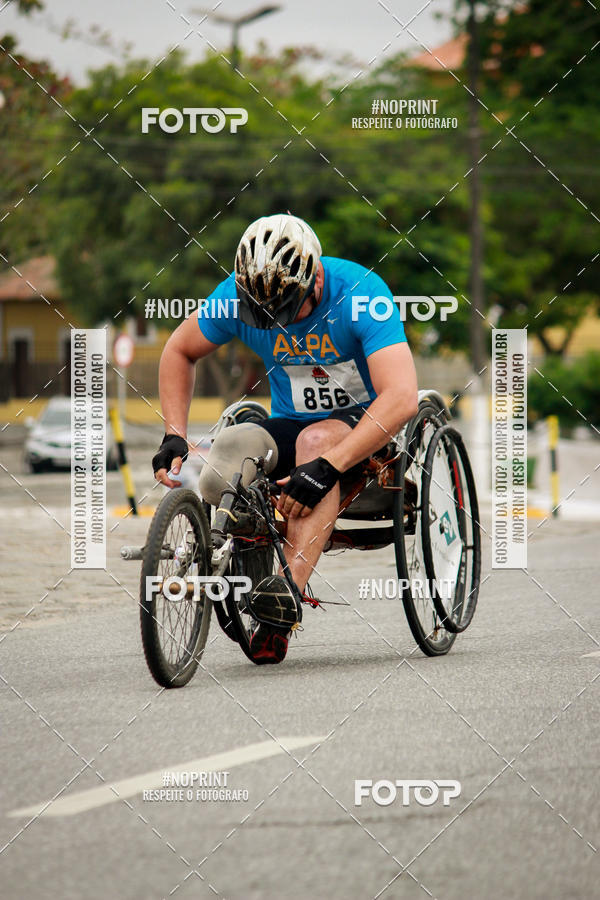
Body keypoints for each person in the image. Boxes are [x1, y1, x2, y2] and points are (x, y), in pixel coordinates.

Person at [153, 213, 418, 663]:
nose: (277, 322)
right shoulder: (235, 299)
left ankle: (282, 601)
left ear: (315, 276)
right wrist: (173, 435)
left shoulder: (362, 294)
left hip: (363, 427)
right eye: (264, 314)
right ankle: (245, 544)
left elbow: (402, 397)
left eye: (287, 309)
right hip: (290, 423)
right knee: (227, 457)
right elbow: (179, 350)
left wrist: (329, 466)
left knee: (317, 442)